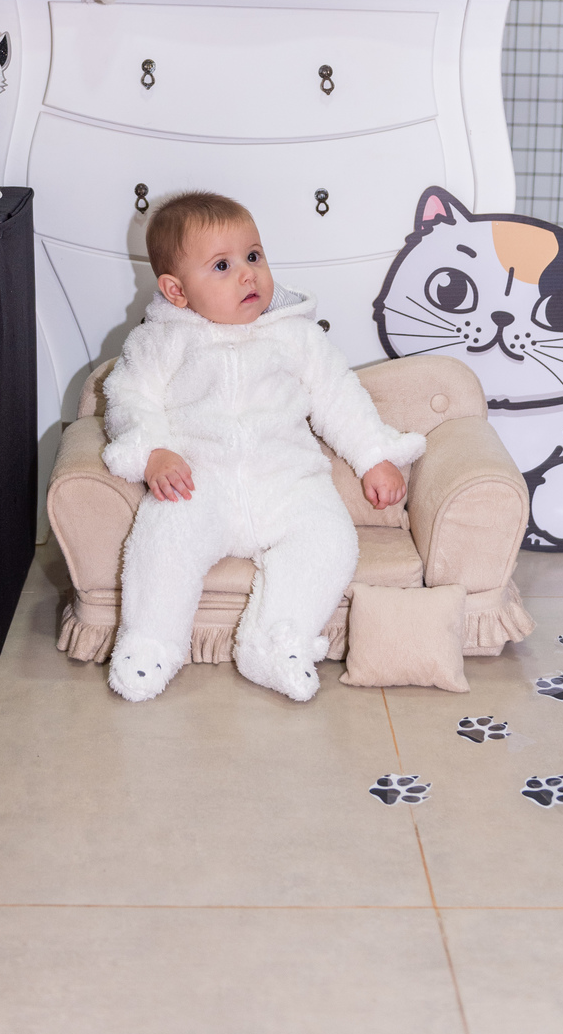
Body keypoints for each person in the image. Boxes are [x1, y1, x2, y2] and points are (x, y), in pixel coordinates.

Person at [102, 191, 426, 702]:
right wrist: (153, 452)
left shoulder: (294, 336)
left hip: (287, 482)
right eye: (223, 266)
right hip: (199, 484)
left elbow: (338, 395)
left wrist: (373, 457)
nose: (248, 275)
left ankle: (276, 640)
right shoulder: (160, 342)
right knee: (162, 537)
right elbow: (128, 397)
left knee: (330, 541)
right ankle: (151, 642)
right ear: (177, 290)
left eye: (253, 256)